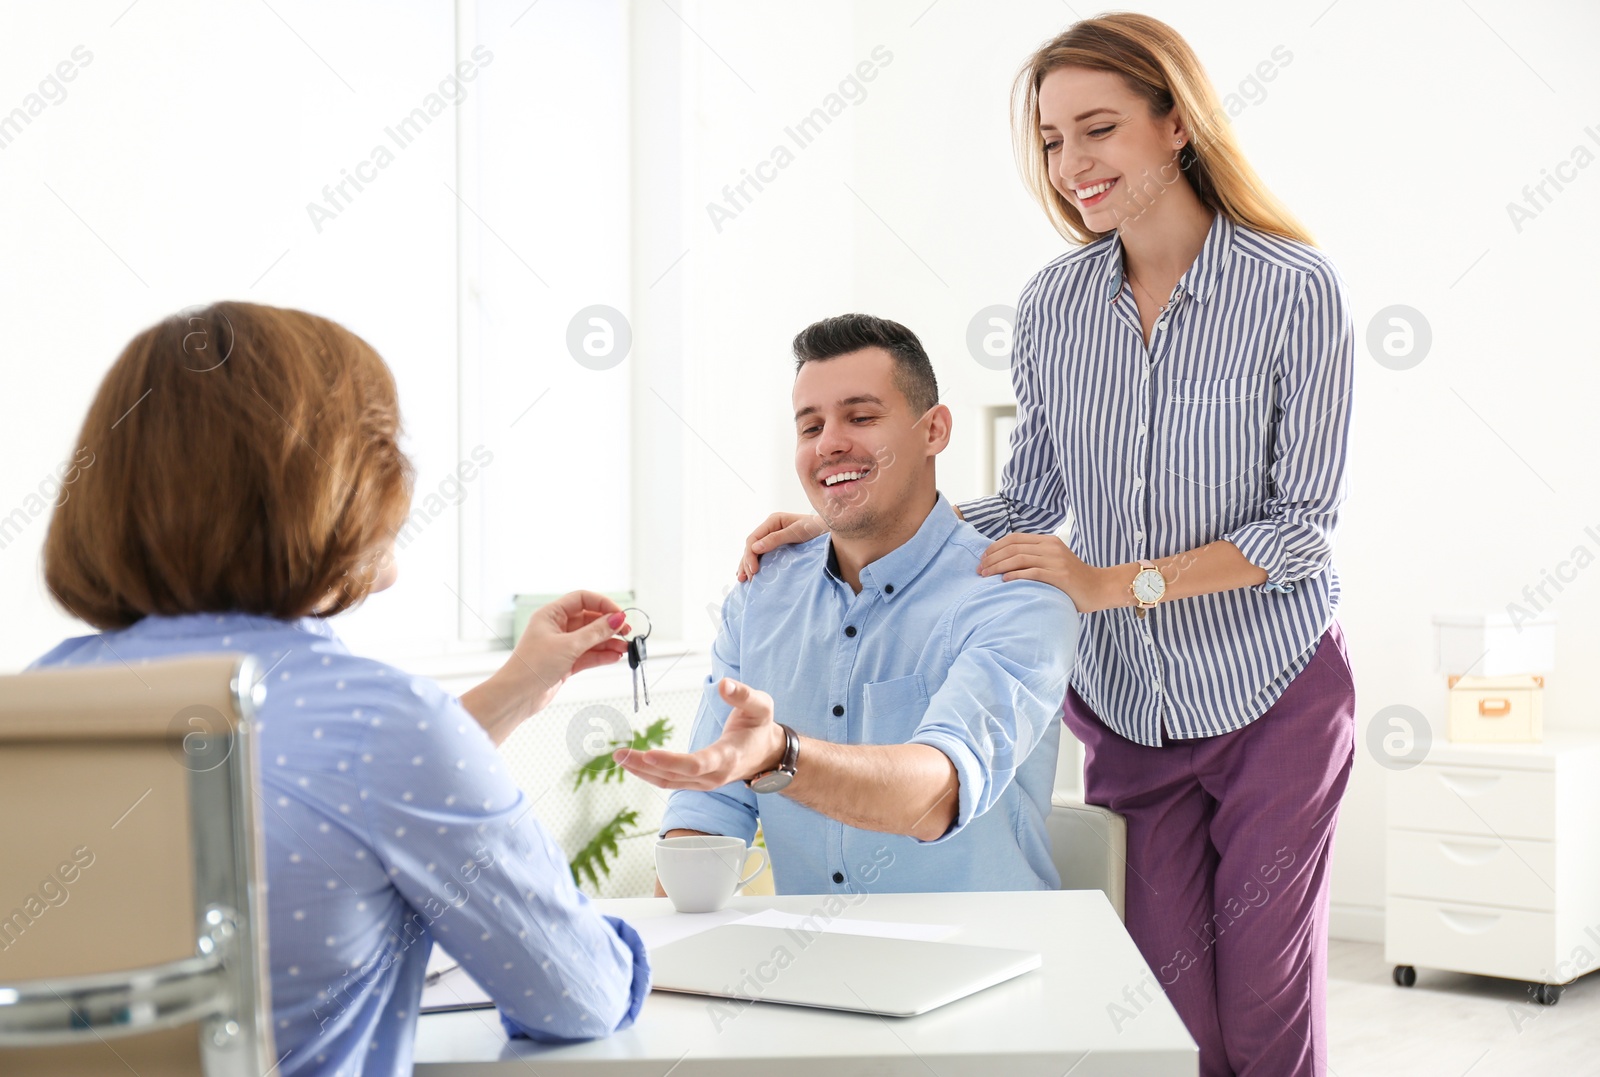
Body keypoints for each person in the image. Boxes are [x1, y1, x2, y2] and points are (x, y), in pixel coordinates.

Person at [738, 15, 1355, 1077]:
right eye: (1052, 140)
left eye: (1097, 129)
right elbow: (1029, 496)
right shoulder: (1053, 305)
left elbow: (1300, 528)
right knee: (1163, 1018)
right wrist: (855, 516)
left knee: (1263, 1011)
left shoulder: (1293, 287)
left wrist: (1115, 583)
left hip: (1273, 693)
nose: (1071, 166)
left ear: (1176, 123)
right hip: (1127, 708)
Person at [28, 301, 649, 1077]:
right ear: (338, 482)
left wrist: (510, 694)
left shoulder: (38, 701)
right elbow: (577, 993)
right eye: (384, 445)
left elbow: (298, 777)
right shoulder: (385, 726)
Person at [617, 313, 1079, 895]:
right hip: (807, 974)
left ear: (933, 431)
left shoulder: (1017, 598)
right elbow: (711, 813)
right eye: (810, 428)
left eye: (861, 417)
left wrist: (781, 756)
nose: (830, 443)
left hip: (983, 964)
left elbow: (939, 792)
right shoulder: (762, 595)